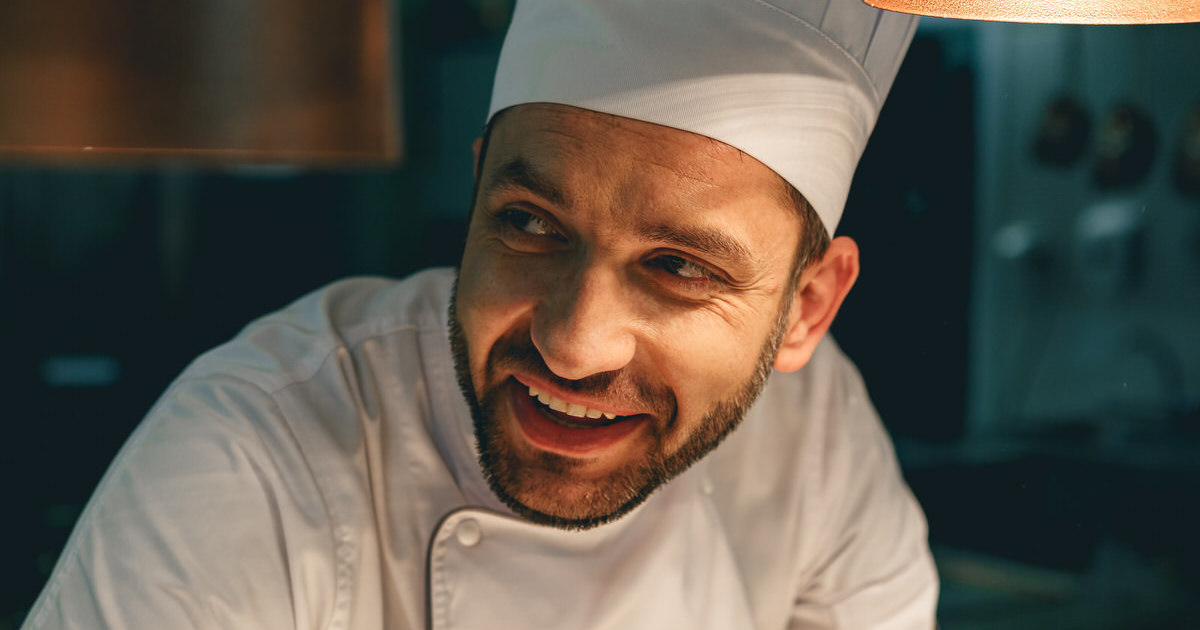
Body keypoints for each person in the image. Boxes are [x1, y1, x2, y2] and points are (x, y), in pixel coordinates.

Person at [23, 0, 938, 628]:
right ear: (475, 200)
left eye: (677, 268)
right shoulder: (256, 446)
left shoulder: (817, 438)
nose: (573, 345)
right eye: (531, 225)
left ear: (806, 307)